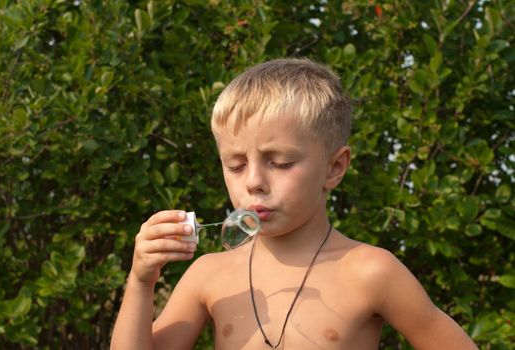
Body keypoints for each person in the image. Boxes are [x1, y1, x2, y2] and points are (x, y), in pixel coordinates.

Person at [111, 58, 478, 349]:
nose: (254, 181)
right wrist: (142, 281)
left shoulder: (370, 272)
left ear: (334, 168)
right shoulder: (210, 274)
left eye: (281, 163)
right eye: (236, 165)